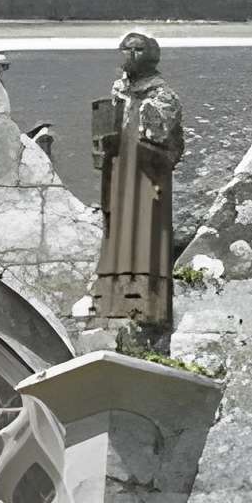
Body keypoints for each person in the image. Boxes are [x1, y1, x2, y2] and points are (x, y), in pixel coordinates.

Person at [91, 31, 184, 330]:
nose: (127, 56)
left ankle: (144, 300)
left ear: (149, 55)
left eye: (136, 50)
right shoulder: (117, 92)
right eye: (124, 49)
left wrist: (130, 137)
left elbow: (161, 140)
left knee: (144, 232)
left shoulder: (162, 96)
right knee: (116, 231)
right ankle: (112, 294)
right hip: (118, 175)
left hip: (146, 177)